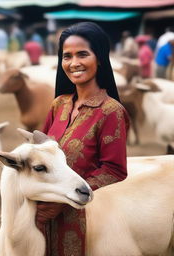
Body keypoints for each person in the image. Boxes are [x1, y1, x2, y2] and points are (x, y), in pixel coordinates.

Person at [36, 22, 130, 256]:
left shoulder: (111, 111)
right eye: (66, 56)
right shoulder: (59, 104)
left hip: (82, 214)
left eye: (82, 54)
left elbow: (114, 170)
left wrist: (64, 199)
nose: (74, 63)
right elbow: (42, 151)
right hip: (41, 210)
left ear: (99, 58)